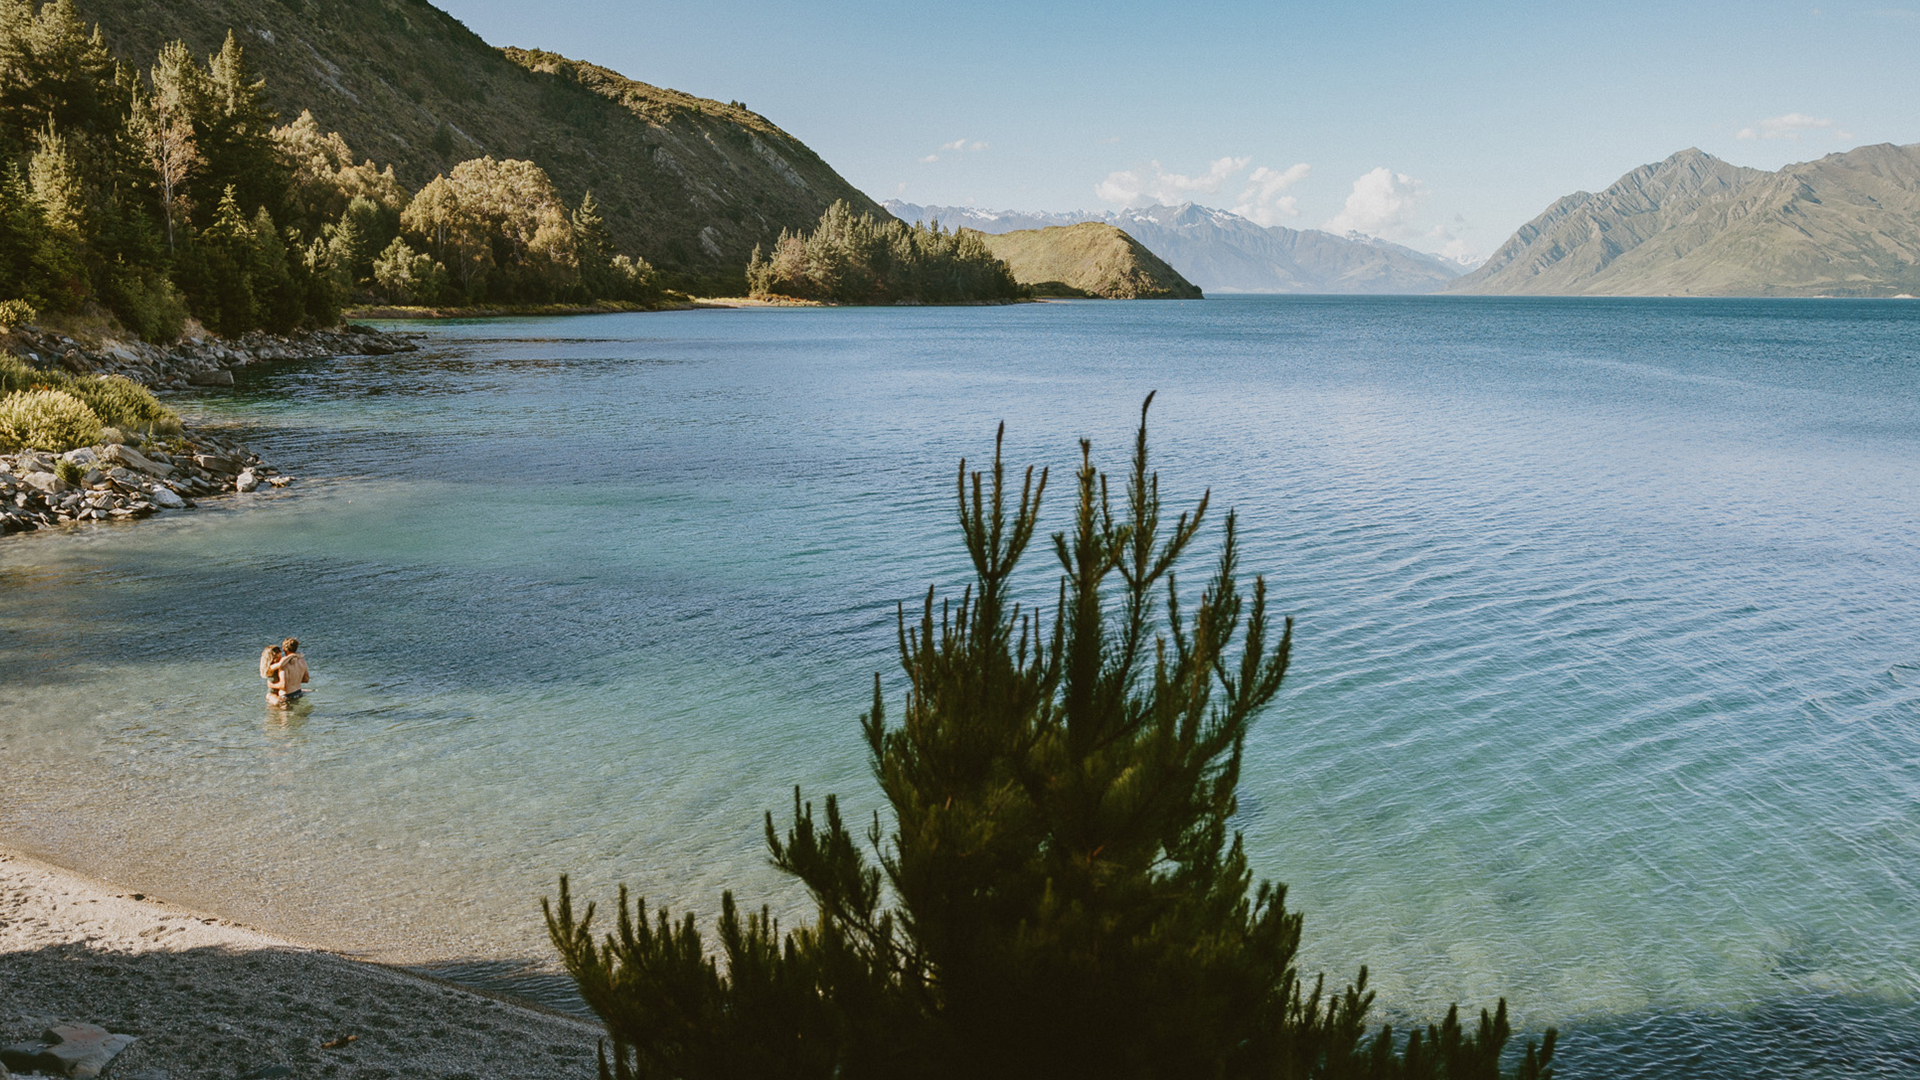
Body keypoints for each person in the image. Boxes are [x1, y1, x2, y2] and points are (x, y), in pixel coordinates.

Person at [266, 637, 310, 705]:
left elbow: (283, 685)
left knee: (276, 714)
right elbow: (306, 679)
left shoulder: (284, 664)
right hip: (298, 692)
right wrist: (295, 681)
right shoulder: (302, 661)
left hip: (286, 696)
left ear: (283, 649)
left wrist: (271, 685)